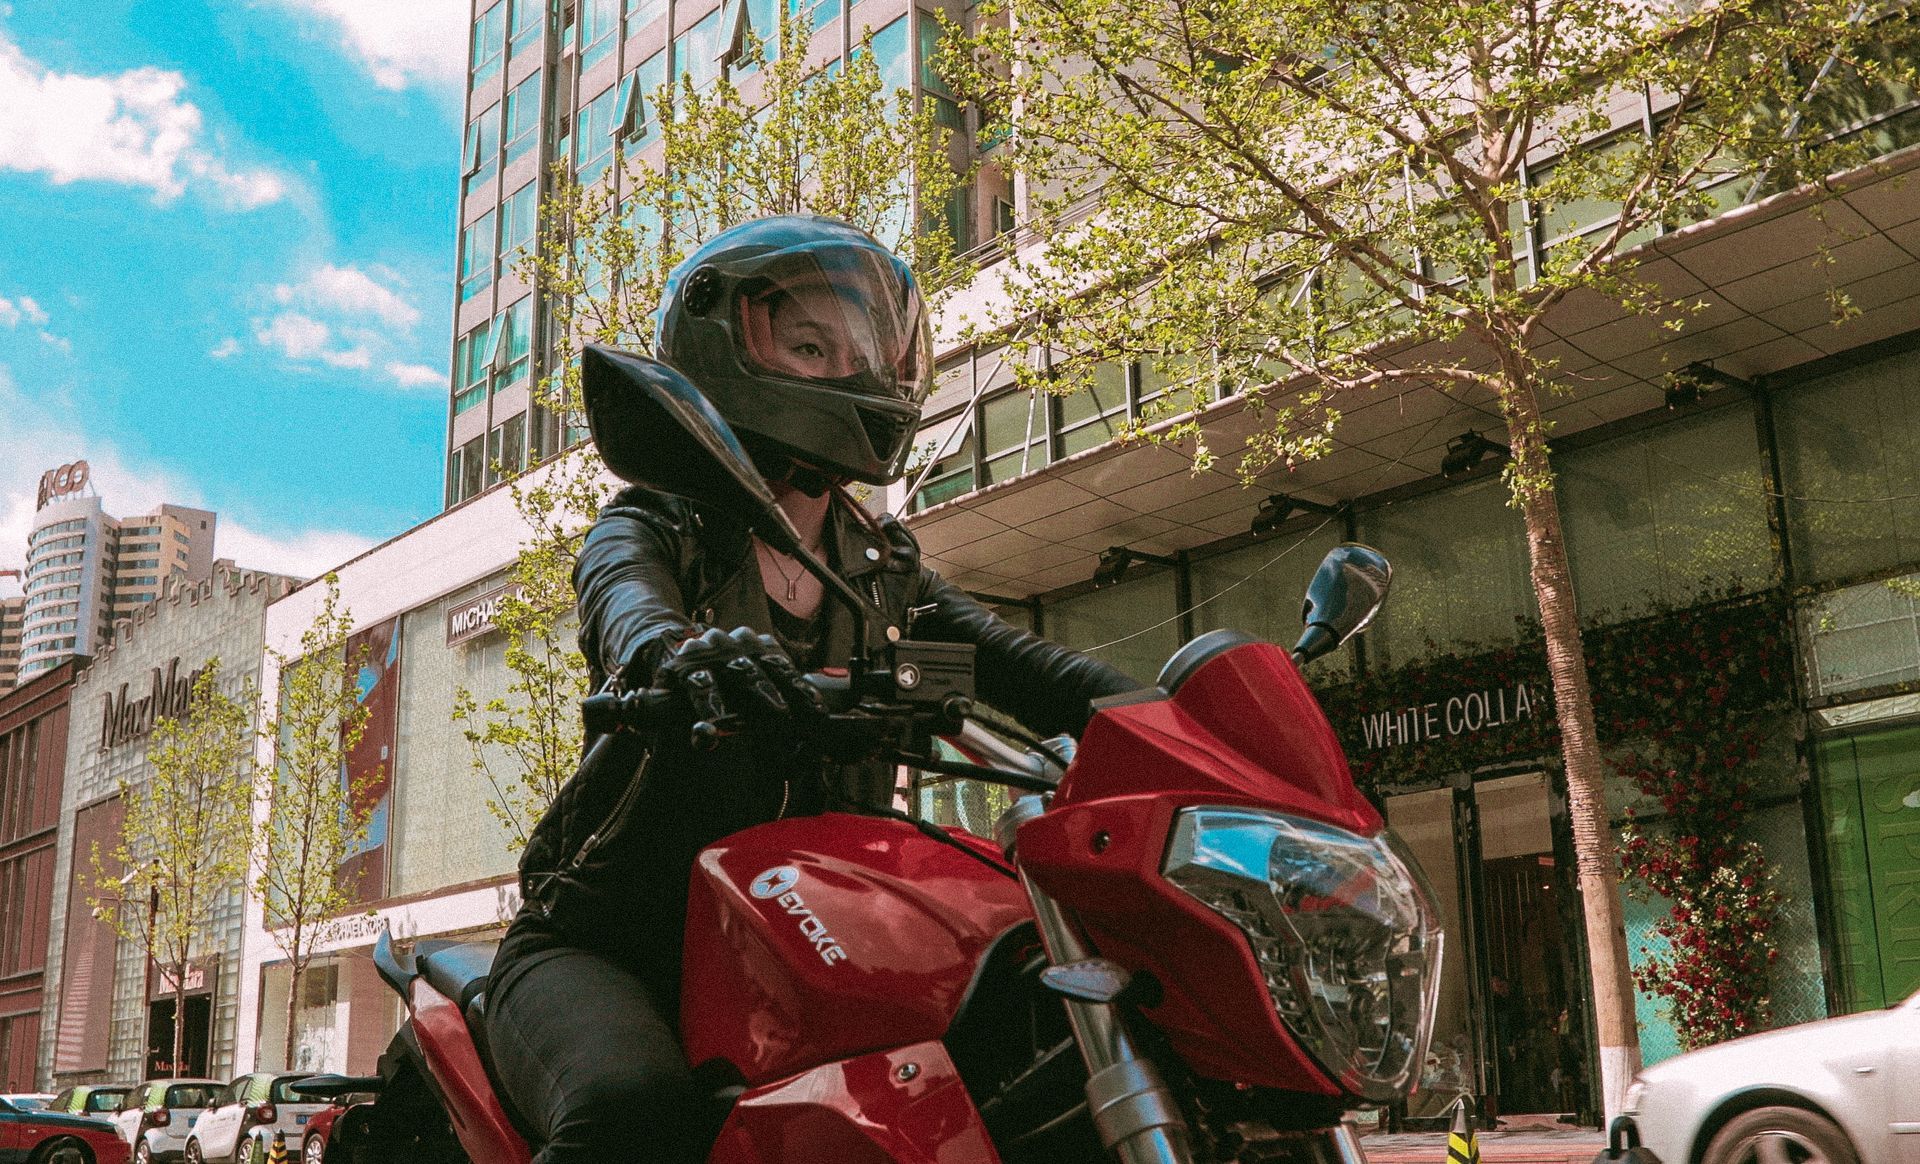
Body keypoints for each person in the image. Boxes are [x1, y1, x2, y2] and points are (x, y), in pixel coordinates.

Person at [483, 215, 1144, 1164]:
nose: (855, 375)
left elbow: (1026, 667)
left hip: (817, 937)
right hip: (616, 938)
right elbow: (628, 613)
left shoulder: (879, 567)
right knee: (632, 1110)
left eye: (868, 350)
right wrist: (679, 657)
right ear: (722, 348)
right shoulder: (653, 526)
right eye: (809, 345)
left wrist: (1173, 717)